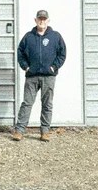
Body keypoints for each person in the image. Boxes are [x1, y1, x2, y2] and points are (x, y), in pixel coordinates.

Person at [11, 9, 67, 142]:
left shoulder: (55, 36)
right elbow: (20, 53)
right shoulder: (28, 37)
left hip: (49, 76)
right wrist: (26, 67)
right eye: (39, 19)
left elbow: (62, 54)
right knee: (27, 103)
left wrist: (54, 67)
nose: (42, 21)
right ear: (35, 20)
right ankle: (19, 131)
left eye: (44, 19)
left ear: (48, 20)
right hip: (32, 76)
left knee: (47, 104)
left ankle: (45, 132)